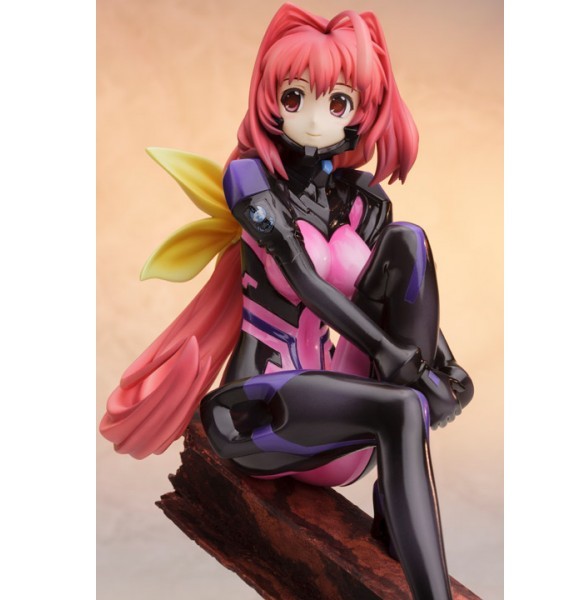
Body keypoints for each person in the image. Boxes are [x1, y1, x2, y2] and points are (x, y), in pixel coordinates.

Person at [101, 5, 473, 599]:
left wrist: (442, 370)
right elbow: (301, 277)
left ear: (362, 111)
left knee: (410, 242)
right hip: (257, 416)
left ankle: (395, 498)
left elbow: (396, 297)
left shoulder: (363, 200)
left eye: (338, 102)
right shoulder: (251, 182)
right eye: (295, 97)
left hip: (342, 427)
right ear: (270, 100)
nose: (315, 118)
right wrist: (393, 359)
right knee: (404, 406)